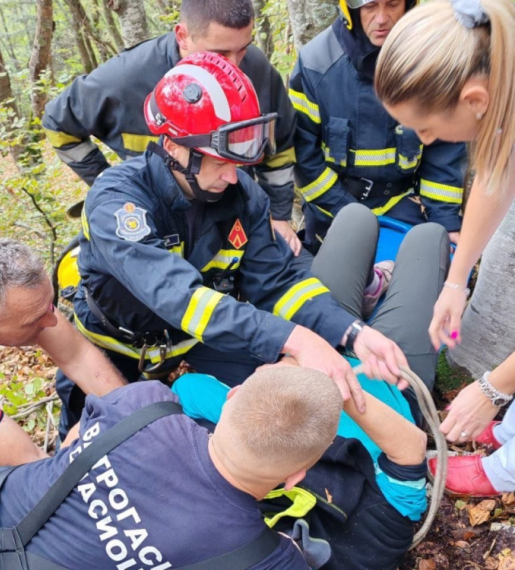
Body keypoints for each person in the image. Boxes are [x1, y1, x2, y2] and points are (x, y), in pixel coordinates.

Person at [56, 50, 434, 438]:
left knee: (275, 410)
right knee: (100, 446)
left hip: (195, 340)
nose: (233, 178)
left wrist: (351, 331)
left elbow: (277, 284)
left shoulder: (243, 197)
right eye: (219, 162)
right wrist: (295, 337)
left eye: (239, 162)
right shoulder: (118, 203)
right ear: (173, 147)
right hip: (114, 345)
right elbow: (180, 298)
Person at [0, 366, 344, 569]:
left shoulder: (145, 403)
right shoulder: (264, 558)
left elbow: (73, 444)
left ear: (231, 397)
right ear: (296, 477)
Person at [375, 0, 515, 496]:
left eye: (427, 128)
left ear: (475, 99)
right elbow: (498, 173)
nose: (423, 139)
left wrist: (495, 387)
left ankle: (507, 470)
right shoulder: (501, 91)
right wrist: (456, 279)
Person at [42, 0, 302, 254]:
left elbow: (278, 149)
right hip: (156, 225)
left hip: (230, 212)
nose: (233, 65)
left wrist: (278, 215)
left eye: (243, 48)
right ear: (183, 36)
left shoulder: (256, 70)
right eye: (220, 54)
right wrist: (103, 179)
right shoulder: (126, 78)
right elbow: (57, 123)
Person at [172, 359, 428, 570]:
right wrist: (328, 378)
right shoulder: (375, 534)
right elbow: (411, 448)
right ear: (296, 476)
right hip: (392, 388)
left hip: (345, 381)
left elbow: (186, 387)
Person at [0, 239, 126, 507]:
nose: (53, 321)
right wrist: (89, 436)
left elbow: (77, 355)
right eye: (34, 320)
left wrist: (130, 412)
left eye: (48, 305)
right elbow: (40, 472)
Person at [288, 0, 467, 258]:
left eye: (392, 4)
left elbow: (444, 148)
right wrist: (346, 212)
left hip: (403, 205)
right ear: (351, 9)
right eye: (370, 6)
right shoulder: (316, 63)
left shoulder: (431, 60)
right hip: (332, 210)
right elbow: (303, 155)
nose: (382, 18)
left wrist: (445, 220)